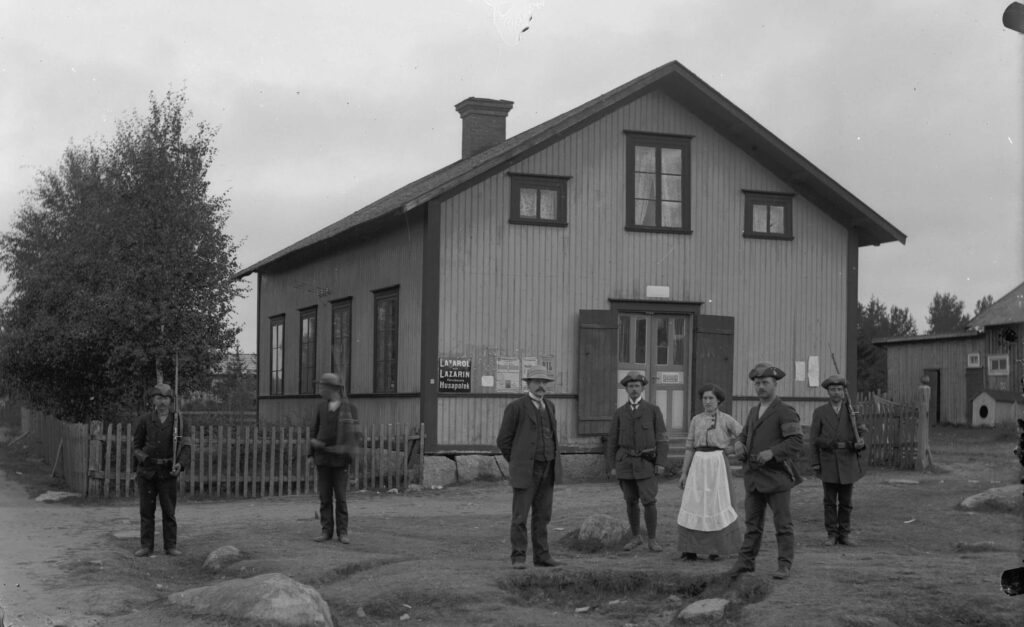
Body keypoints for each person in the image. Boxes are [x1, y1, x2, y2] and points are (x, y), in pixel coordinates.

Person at [730, 363, 803, 580]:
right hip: (753, 478)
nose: (760, 387)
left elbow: (797, 441)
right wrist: (738, 444)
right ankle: (745, 563)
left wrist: (772, 452)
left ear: (775, 384)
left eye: (765, 383)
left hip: (776, 477)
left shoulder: (785, 411)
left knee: (782, 524)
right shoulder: (753, 411)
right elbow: (744, 435)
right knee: (752, 525)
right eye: (757, 383)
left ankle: (784, 565)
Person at [497, 367, 564, 569]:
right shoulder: (516, 407)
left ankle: (542, 556)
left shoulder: (550, 406)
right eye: (537, 382)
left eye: (544, 382)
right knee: (520, 516)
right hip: (526, 471)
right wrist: (518, 461)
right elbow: (503, 440)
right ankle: (518, 557)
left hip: (548, 468)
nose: (541, 386)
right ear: (528, 384)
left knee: (543, 515)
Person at [676, 383, 743, 561]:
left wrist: (732, 450)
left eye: (711, 398)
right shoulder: (696, 420)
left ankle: (717, 548)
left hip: (718, 464)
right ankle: (690, 548)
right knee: (694, 503)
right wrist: (684, 473)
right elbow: (689, 446)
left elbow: (744, 435)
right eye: (704, 398)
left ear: (718, 400)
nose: (707, 401)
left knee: (717, 504)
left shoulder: (727, 419)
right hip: (698, 464)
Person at [606, 371, 668, 552]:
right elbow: (612, 441)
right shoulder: (620, 413)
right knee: (630, 501)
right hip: (625, 463)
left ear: (642, 388)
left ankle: (652, 539)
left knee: (649, 501)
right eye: (630, 386)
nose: (634, 389)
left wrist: (661, 462)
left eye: (637, 386)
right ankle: (635, 537)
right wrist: (611, 466)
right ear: (626, 389)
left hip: (646, 463)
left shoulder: (653, 410)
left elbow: (662, 438)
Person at [132, 383, 192, 557]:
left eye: (166, 398)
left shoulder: (180, 421)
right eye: (159, 398)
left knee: (169, 512)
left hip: (168, 473)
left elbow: (186, 446)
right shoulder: (144, 421)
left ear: (171, 400)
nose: (163, 402)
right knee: (146, 512)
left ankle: (170, 546)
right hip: (147, 473)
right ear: (153, 400)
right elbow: (136, 447)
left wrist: (180, 464)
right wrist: (145, 458)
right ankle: (146, 546)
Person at [810, 375, 866, 546]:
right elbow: (813, 439)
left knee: (846, 501)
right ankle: (831, 534)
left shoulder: (853, 411)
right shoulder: (820, 412)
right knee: (829, 501)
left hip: (847, 460)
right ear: (828, 392)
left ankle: (845, 533)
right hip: (828, 461)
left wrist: (860, 443)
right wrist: (815, 462)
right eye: (833, 389)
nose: (836, 392)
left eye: (840, 389)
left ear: (844, 392)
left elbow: (862, 433)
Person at [309, 372, 362, 544]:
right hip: (323, 460)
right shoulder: (320, 407)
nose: (320, 390)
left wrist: (346, 447)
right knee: (324, 497)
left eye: (323, 387)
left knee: (340, 497)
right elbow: (314, 430)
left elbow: (356, 435)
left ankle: (343, 532)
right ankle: (326, 531)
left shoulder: (349, 409)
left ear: (332, 389)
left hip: (340, 461)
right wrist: (312, 451)